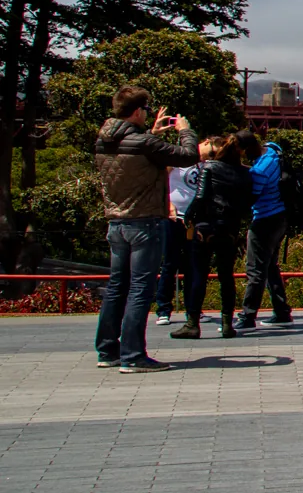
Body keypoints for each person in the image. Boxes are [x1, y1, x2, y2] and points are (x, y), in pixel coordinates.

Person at [93, 85, 197, 373]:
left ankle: (107, 350)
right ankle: (133, 355)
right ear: (138, 111)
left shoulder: (104, 140)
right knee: (141, 288)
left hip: (116, 221)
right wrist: (185, 131)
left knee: (117, 286)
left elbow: (133, 156)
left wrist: (151, 134)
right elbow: (188, 156)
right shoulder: (144, 144)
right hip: (145, 222)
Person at [174, 135, 253, 339]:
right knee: (226, 276)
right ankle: (227, 323)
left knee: (198, 274)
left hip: (206, 226)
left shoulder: (209, 167)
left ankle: (192, 324)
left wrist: (189, 216)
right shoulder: (245, 173)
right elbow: (247, 204)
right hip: (229, 229)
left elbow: (200, 197)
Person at [236, 130, 292, 330]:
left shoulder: (259, 170)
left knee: (255, 269)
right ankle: (281, 310)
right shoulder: (272, 152)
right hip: (280, 215)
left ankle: (248, 314)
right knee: (269, 266)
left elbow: (251, 197)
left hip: (264, 219)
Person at [151, 161, 198, 325]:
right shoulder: (175, 161)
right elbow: (160, 181)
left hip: (193, 219)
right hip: (173, 217)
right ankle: (163, 309)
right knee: (170, 263)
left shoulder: (204, 164)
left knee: (193, 265)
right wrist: (168, 204)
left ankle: (193, 309)